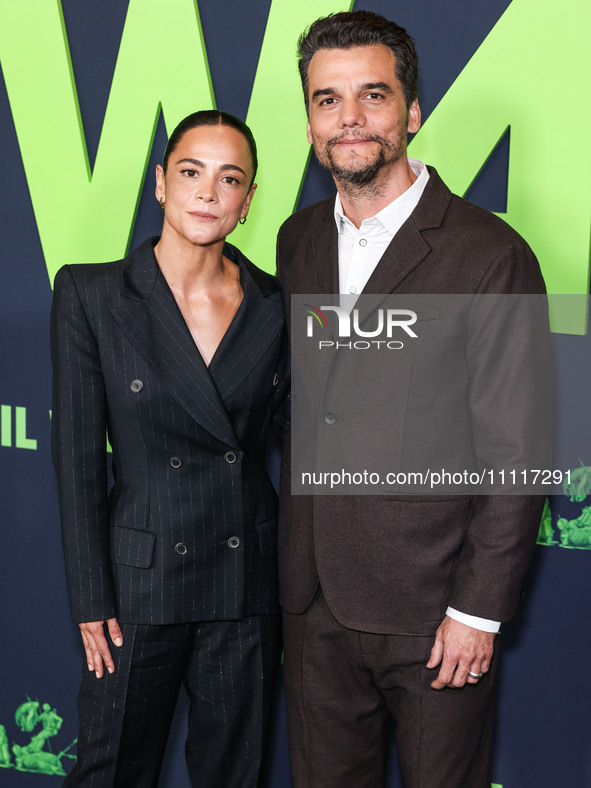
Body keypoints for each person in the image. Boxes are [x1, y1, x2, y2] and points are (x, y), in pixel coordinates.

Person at [276, 11, 547, 788]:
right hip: (314, 601)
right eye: (327, 100)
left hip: (433, 612)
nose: (349, 118)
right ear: (308, 122)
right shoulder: (296, 240)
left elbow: (517, 448)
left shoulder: (490, 252)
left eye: (372, 95)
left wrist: (477, 611)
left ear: (412, 112)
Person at [51, 110, 288, 787]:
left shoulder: (274, 304)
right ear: (160, 182)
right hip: (137, 586)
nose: (207, 193)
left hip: (244, 586)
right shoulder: (91, 294)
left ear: (246, 204)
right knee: (110, 771)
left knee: (230, 776)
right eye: (191, 172)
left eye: (229, 179)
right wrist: (90, 596)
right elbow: (75, 461)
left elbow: (303, 445)